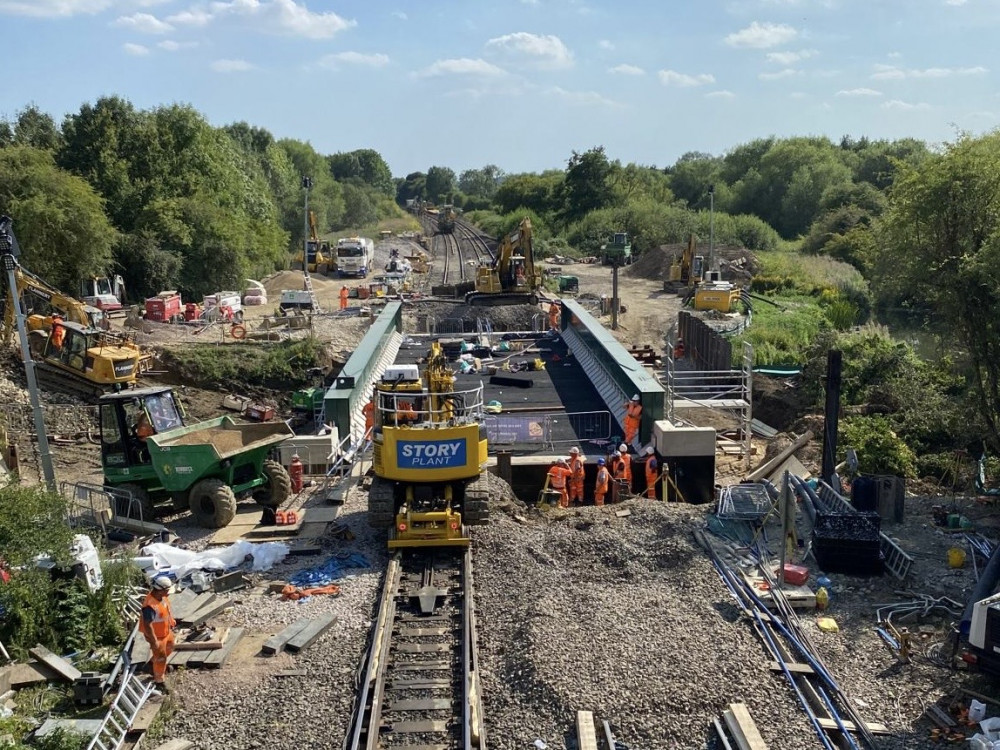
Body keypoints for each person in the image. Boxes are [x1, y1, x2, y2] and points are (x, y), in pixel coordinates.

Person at [140, 576, 176, 694]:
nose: (168, 593)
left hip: (165, 631)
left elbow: (165, 610)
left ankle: (151, 664)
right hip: (156, 636)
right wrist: (154, 641)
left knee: (170, 648)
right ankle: (159, 681)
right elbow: (147, 625)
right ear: (160, 589)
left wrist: (171, 621)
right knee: (161, 657)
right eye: (167, 591)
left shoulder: (163, 598)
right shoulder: (150, 606)